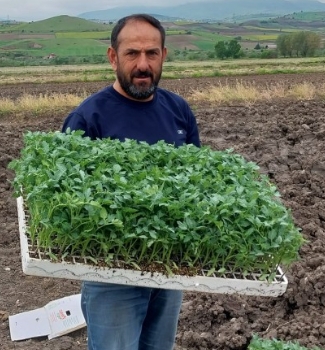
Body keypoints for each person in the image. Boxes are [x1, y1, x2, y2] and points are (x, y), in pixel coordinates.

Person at [61, 13, 201, 350]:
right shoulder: (88, 117)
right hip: (112, 277)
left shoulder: (178, 110)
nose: (143, 64)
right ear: (113, 57)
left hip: (169, 271)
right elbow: (64, 193)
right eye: (132, 54)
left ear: (164, 56)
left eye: (152, 53)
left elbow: (199, 181)